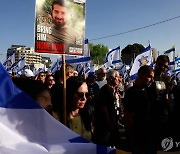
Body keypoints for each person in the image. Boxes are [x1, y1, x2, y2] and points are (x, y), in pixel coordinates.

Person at [123, 65, 155, 154]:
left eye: (153, 77)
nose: (152, 80)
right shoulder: (131, 93)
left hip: (148, 137)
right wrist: (134, 144)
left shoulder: (147, 91)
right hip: (138, 138)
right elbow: (128, 119)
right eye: (149, 77)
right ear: (140, 75)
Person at [146, 55, 172, 150]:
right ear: (156, 63)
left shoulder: (166, 79)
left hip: (161, 115)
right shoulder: (149, 76)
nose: (162, 68)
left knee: (158, 144)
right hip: (148, 116)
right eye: (160, 65)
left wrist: (170, 113)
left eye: (165, 66)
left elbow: (166, 97)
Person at [93, 69, 122, 149]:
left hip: (114, 122)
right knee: (104, 146)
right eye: (117, 77)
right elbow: (103, 107)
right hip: (105, 126)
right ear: (111, 78)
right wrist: (109, 123)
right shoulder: (105, 90)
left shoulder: (114, 90)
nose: (119, 79)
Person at [66, 76, 94, 141]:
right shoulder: (60, 117)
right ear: (70, 94)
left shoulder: (88, 114)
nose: (84, 98)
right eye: (80, 95)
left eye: (87, 95)